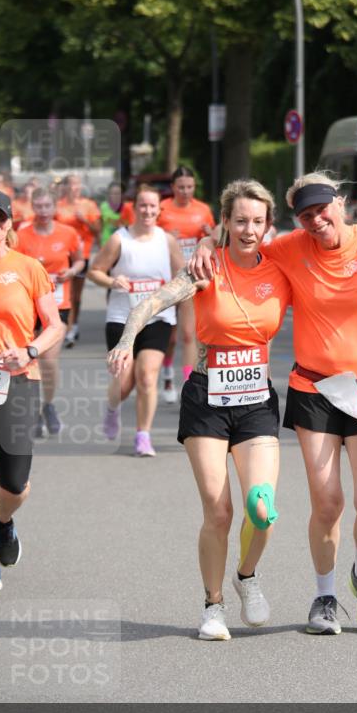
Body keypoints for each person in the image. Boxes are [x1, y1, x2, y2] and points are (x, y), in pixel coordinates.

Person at [192, 171, 357, 634]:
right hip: (316, 391)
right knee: (327, 504)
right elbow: (243, 239)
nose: (315, 219)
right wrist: (207, 242)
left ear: (340, 203)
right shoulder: (290, 247)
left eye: (321, 209)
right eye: (305, 214)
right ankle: (324, 595)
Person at [108, 180, 290, 641]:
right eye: (240, 221)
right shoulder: (205, 268)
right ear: (225, 223)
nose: (249, 230)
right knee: (219, 512)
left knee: (262, 508)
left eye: (257, 221)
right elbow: (149, 304)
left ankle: (246, 576)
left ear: (269, 225)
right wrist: (127, 341)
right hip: (207, 399)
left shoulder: (283, 268)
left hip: (254, 403)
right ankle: (213, 605)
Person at [0, 189, 64, 596]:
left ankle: (3, 521)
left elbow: (54, 326)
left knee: (15, 485)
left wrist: (28, 349)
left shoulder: (28, 268)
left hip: (19, 379)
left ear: (9, 224)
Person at [88, 188, 184, 457]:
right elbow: (94, 271)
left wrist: (172, 294)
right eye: (143, 206)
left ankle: (143, 435)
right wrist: (112, 281)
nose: (148, 211)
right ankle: (111, 409)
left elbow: (183, 276)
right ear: (135, 208)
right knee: (125, 381)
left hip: (158, 318)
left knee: (147, 375)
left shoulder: (167, 241)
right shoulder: (120, 240)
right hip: (122, 318)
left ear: (159, 210)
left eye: (153, 207)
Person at [16, 189, 85, 436]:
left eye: (48, 206)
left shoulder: (68, 233)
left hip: (59, 304)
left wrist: (71, 271)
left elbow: (79, 260)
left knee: (48, 359)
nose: (44, 211)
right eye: (39, 206)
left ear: (55, 207)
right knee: (29, 360)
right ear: (32, 207)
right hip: (28, 306)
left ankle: (48, 405)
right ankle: (33, 411)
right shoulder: (21, 236)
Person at [157, 166, 216, 403]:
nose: (185, 191)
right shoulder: (162, 210)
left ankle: (188, 383)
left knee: (190, 335)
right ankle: (168, 374)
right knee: (170, 337)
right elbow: (149, 239)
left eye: (189, 187)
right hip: (167, 278)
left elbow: (214, 239)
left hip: (192, 277)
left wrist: (209, 232)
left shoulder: (203, 210)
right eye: (180, 187)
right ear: (172, 188)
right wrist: (165, 236)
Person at [54, 174, 101, 347]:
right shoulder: (58, 207)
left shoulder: (89, 205)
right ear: (65, 187)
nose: (74, 188)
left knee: (76, 296)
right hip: (63, 254)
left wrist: (85, 221)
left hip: (83, 255)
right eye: (71, 185)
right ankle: (65, 329)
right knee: (65, 293)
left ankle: (73, 325)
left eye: (77, 185)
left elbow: (98, 231)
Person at [99, 181, 134, 246]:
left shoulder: (129, 207)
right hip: (106, 243)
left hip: (124, 243)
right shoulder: (103, 206)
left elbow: (133, 226)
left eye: (118, 193)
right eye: (112, 193)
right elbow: (100, 226)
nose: (115, 196)